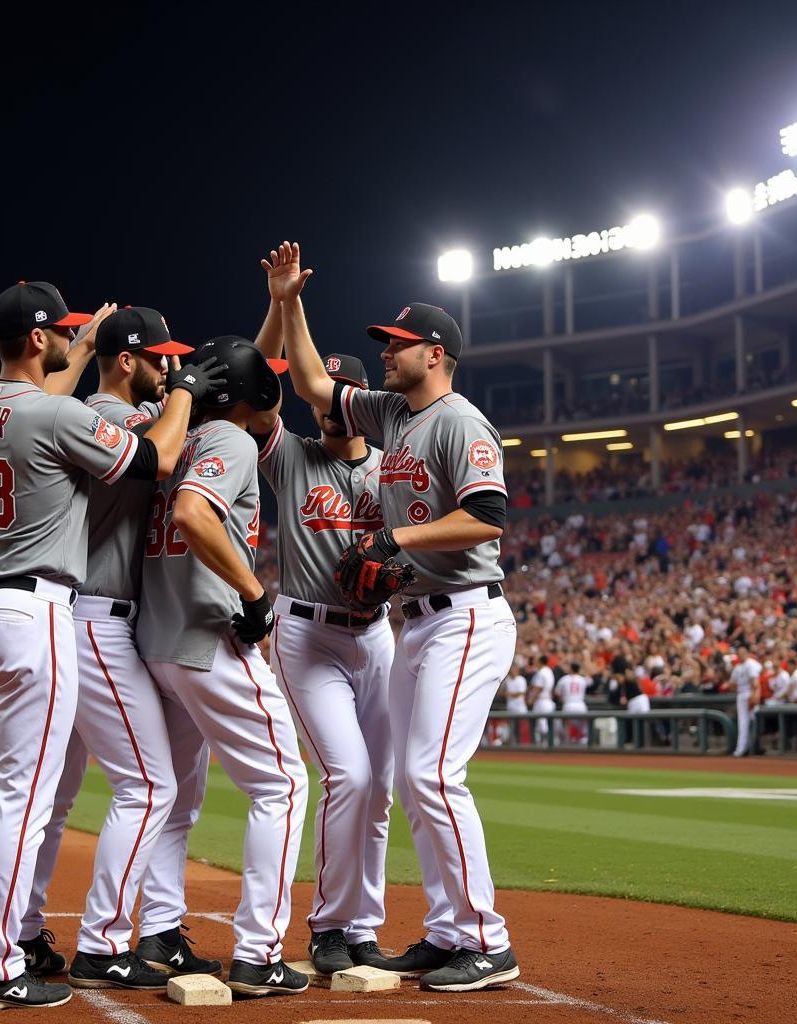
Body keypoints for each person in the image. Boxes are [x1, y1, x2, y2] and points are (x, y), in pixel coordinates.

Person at [0, 281, 209, 1011]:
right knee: (26, 804)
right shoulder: (59, 413)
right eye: (57, 330)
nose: (68, 337)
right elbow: (153, 459)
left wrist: (87, 343)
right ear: (36, 339)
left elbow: (44, 392)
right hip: (35, 614)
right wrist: (182, 391)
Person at [281, 256, 520, 993]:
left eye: (398, 343)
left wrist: (394, 540)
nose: (386, 351)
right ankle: (449, 933)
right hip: (414, 622)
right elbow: (312, 385)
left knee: (430, 774)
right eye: (385, 343)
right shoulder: (391, 414)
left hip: (465, 617)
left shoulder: (459, 422)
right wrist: (289, 303)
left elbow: (486, 518)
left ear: (435, 353)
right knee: (412, 782)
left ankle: (487, 940)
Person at [17, 307, 226, 990]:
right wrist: (191, 392)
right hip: (95, 620)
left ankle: (19, 934)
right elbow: (167, 452)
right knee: (149, 784)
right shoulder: (115, 422)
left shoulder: (70, 413)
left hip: (68, 616)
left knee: (55, 794)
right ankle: (104, 940)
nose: (172, 368)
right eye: (161, 358)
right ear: (128, 361)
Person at [138, 337, 311, 997]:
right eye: (267, 382)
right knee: (283, 786)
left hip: (157, 642)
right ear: (252, 394)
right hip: (209, 639)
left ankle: (157, 930)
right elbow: (191, 513)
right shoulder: (232, 442)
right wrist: (254, 592)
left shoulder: (176, 439)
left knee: (179, 801)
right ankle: (259, 953)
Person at [249, 241, 394, 976]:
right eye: (317, 396)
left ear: (356, 400)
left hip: (378, 640)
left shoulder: (394, 467)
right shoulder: (289, 456)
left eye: (334, 395)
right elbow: (252, 388)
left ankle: (362, 924)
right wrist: (285, 300)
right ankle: (329, 928)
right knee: (350, 776)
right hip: (306, 636)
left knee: (381, 788)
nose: (323, 405)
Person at [729, 646, 762, 757]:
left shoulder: (751, 664)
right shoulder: (738, 667)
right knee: (744, 722)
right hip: (742, 694)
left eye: (743, 652)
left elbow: (756, 683)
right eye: (739, 653)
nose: (741, 655)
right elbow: (732, 684)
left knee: (750, 722)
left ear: (747, 653)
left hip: (749, 694)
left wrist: (754, 696)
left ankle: (748, 748)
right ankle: (744, 748)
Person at [554, 661, 590, 745]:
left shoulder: (564, 679)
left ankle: (567, 743)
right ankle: (583, 742)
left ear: (571, 669)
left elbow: (557, 693)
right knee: (583, 726)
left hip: (568, 704)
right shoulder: (582, 679)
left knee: (567, 725)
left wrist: (563, 699)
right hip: (580, 705)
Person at [528, 655, 556, 746]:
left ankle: (545, 745)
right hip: (548, 700)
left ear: (540, 662)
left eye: (536, 660)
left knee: (542, 725)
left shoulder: (541, 672)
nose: (535, 662)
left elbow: (538, 688)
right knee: (545, 724)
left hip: (541, 701)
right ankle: (547, 743)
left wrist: (531, 700)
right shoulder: (549, 671)